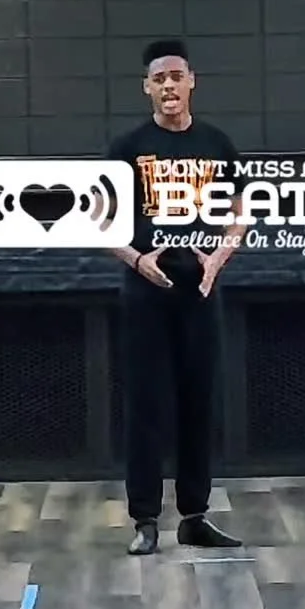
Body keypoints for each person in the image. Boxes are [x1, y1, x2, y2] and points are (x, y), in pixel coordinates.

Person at [107, 38, 248, 555]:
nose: (168, 86)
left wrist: (218, 258)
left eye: (176, 77)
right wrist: (136, 259)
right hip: (145, 294)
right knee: (146, 404)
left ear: (191, 83)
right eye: (159, 79)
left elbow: (240, 212)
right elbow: (98, 220)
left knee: (198, 403)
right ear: (147, 88)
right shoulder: (127, 148)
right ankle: (145, 519)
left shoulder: (216, 144)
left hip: (199, 292)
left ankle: (194, 516)